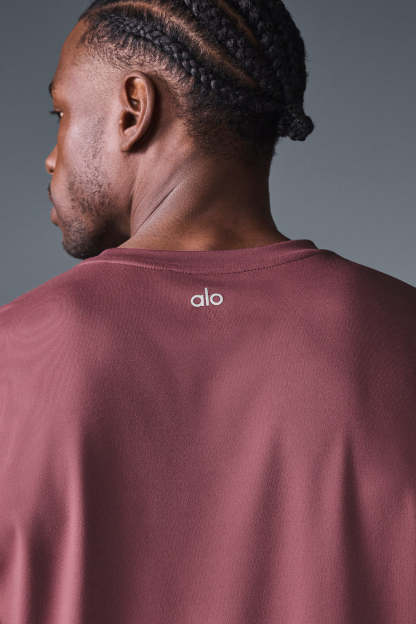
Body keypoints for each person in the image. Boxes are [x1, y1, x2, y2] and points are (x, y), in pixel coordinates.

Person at [0, 1, 415, 622]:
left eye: (62, 113)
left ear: (133, 109)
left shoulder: (13, 353)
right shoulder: (403, 335)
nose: (50, 157)